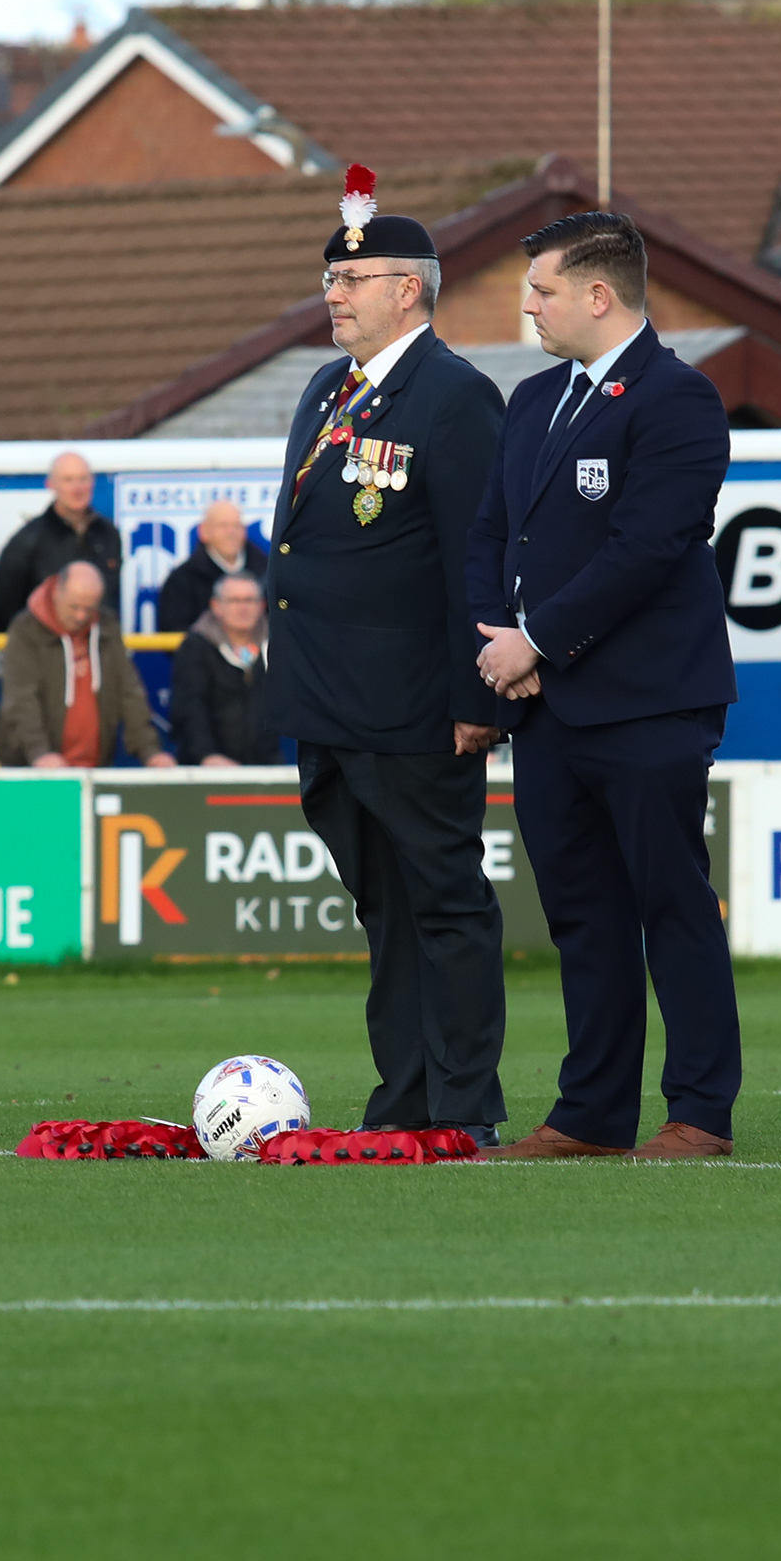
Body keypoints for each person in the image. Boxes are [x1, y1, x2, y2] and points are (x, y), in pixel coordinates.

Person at [471, 207, 738, 1160]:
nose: (528, 305)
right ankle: (590, 1113)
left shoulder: (679, 398)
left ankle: (701, 1111)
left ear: (598, 293)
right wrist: (499, 644)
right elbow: (494, 537)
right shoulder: (533, 403)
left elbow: (649, 548)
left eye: (542, 289)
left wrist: (535, 641)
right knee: (582, 914)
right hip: (547, 709)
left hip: (648, 698)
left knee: (670, 902)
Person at [262, 172, 512, 1142]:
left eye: (354, 277)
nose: (334, 292)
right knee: (385, 912)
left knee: (444, 905)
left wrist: (474, 696)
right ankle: (403, 1097)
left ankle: (464, 1108)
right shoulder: (329, 388)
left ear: (410, 288)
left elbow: (474, 557)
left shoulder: (453, 396)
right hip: (328, 704)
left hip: (414, 706)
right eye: (331, 276)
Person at [0, 561, 171, 768]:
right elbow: (21, 698)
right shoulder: (26, 630)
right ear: (55, 594)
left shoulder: (107, 628)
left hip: (96, 766)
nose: (81, 616)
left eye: (89, 609)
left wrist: (150, 751)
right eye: (74, 607)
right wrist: (39, 753)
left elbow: (129, 691)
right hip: (33, 768)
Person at [0, 450, 126, 628]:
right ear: (51, 484)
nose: (77, 488)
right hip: (44, 651)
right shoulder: (27, 540)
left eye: (83, 479)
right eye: (68, 480)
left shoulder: (109, 534)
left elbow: (111, 602)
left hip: (98, 649)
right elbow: (2, 610)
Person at [173, 571, 278, 764]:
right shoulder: (196, 646)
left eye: (250, 600)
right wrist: (206, 755)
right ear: (216, 606)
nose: (243, 608)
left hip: (268, 766)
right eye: (234, 601)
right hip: (208, 768)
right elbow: (189, 706)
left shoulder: (277, 645)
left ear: (262, 605)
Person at [153, 494, 266, 639]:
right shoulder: (181, 580)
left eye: (236, 525)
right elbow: (174, 632)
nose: (230, 532)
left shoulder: (269, 572)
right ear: (203, 531)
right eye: (223, 525)